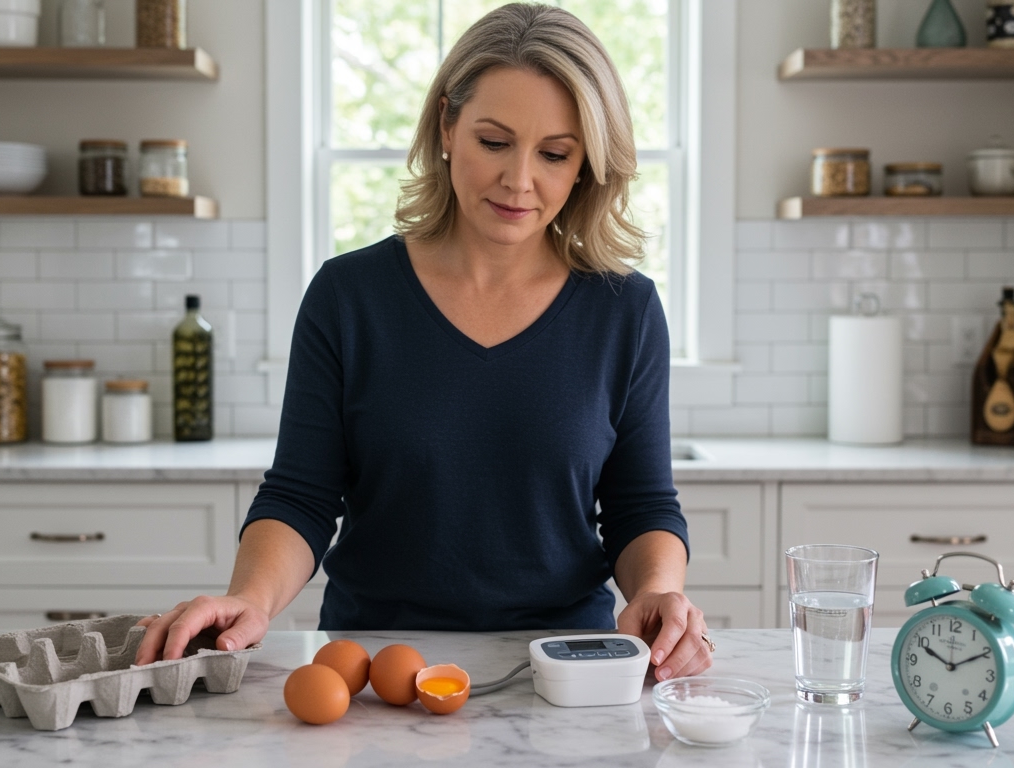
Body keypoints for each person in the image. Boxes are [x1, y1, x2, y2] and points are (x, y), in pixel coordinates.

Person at [135, 2, 714, 683]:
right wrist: (250, 598)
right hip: (373, 668)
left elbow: (640, 504)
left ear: (586, 163)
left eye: (554, 153)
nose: (519, 180)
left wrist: (655, 592)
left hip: (563, 670)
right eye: (494, 142)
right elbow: (302, 494)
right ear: (447, 125)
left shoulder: (626, 309)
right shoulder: (348, 298)